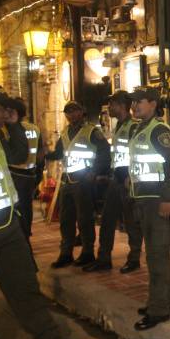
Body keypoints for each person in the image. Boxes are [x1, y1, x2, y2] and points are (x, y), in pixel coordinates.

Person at [0, 85, 70, 339]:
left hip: (8, 229)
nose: (5, 113)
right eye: (1, 108)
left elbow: (19, 155)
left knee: (26, 291)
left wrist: (14, 124)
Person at [128, 87, 170, 330]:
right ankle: (163, 300)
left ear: (152, 103)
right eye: (133, 102)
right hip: (144, 198)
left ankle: (158, 310)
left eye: (139, 101)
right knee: (154, 254)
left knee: (157, 255)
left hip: (157, 199)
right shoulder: (139, 127)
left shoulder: (160, 130)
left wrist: (166, 198)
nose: (135, 106)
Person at [83, 91, 143, 273]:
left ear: (122, 106)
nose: (109, 108)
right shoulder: (119, 126)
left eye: (112, 105)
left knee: (131, 223)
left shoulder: (133, 126)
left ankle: (134, 259)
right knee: (107, 220)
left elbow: (137, 153)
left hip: (127, 180)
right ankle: (103, 259)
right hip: (115, 179)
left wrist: (129, 177)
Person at [46, 101, 110, 269]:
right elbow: (59, 153)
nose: (72, 115)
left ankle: (87, 252)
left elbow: (104, 153)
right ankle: (66, 253)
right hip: (67, 180)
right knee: (65, 219)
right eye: (68, 112)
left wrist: (94, 172)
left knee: (85, 218)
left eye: (75, 111)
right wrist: (46, 155)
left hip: (83, 181)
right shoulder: (65, 131)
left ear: (82, 112)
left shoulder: (92, 131)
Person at [6, 97, 44, 240]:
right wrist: (39, 175)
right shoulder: (35, 128)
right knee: (27, 207)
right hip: (30, 174)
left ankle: (21, 237)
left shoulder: (9, 130)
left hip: (14, 173)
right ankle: (26, 232)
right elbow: (40, 155)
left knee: (16, 207)